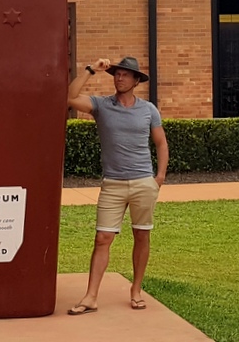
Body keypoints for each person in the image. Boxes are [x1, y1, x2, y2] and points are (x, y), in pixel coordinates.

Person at [65, 56, 169, 315]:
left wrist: (159, 177)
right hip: (113, 183)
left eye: (125, 75)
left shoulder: (148, 110)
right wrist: (91, 70)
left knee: (141, 234)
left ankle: (136, 290)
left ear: (136, 80)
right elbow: (69, 97)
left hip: (143, 182)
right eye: (117, 74)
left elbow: (161, 143)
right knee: (103, 238)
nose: (119, 78)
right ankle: (90, 297)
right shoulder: (101, 105)